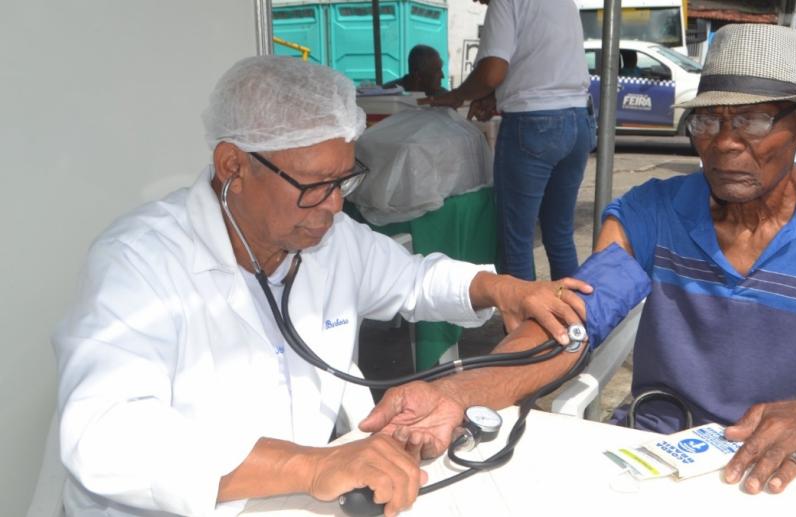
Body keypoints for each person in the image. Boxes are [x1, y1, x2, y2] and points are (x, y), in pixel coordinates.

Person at [366, 23, 796, 498]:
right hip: (655, 455)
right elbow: (573, 321)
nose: (724, 144)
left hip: (773, 472)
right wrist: (458, 393)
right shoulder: (652, 212)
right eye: (708, 122)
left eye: (754, 121)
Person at [52, 56, 591, 517]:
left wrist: (501, 289)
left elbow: (416, 278)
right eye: (314, 186)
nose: (335, 205)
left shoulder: (329, 239)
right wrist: (311, 464)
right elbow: (102, 436)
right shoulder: (139, 263)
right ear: (233, 166)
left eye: (343, 180)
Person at [420, 0, 596, 282]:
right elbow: (539, 64)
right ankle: (573, 321)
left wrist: (459, 95)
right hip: (578, 120)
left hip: (534, 126)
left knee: (518, 243)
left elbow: (492, 72)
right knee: (559, 234)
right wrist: (495, 97)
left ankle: (523, 325)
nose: (477, 2)